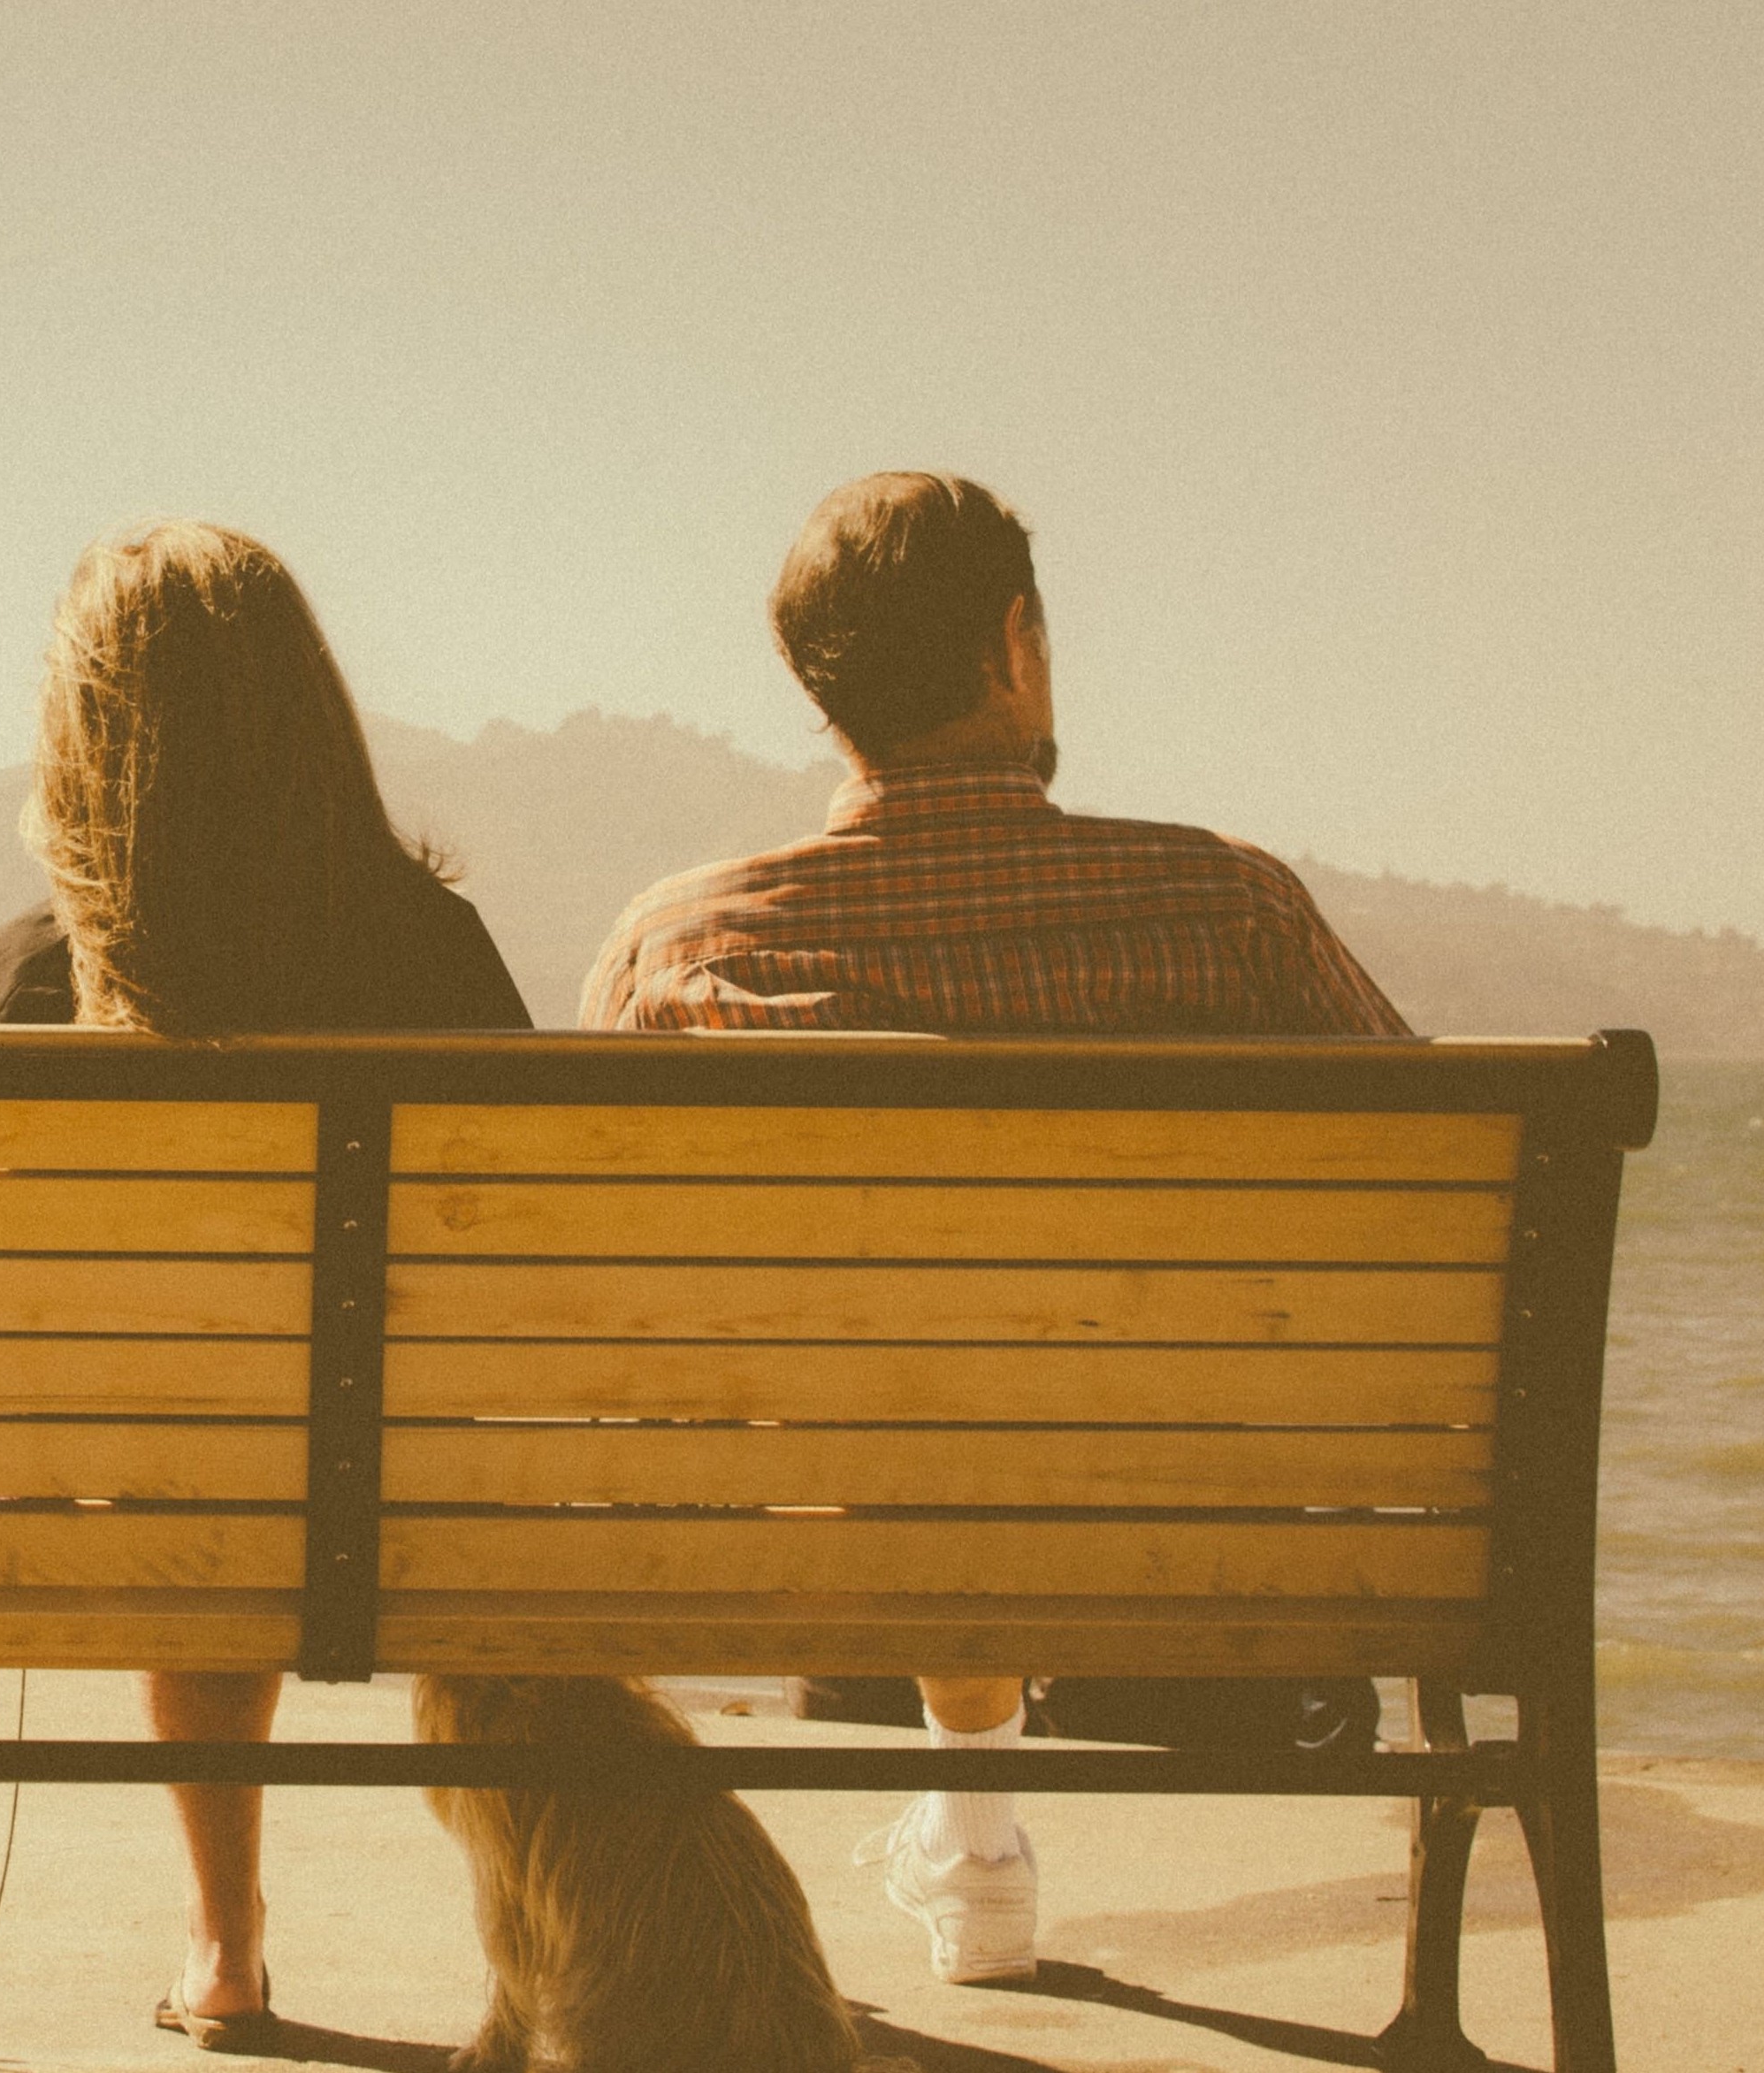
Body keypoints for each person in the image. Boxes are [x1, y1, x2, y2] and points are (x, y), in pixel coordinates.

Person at [579, 472, 1413, 1986]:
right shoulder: (1228, 911)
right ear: (1016, 643)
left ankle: (965, 1807)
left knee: (887, 1477)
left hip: (839, 1577)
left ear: (818, 694)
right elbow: (1434, 1230)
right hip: (1202, 1580)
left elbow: (589, 1298)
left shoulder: (680, 948)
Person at [0, 520, 530, 2047]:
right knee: (254, 1448)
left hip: (145, 1492)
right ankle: (544, 1936)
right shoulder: (433, 950)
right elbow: (515, 1263)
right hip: (412, 1492)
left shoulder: (9, 985)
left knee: (182, 1474)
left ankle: (223, 1936)